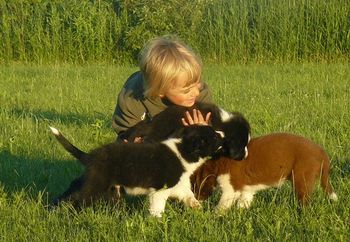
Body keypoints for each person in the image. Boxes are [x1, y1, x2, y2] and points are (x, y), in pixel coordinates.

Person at [112, 35, 213, 142]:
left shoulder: (201, 96)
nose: (196, 92)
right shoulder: (132, 98)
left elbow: (213, 131)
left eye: (197, 84)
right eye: (186, 90)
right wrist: (135, 141)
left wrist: (203, 129)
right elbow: (126, 135)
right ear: (161, 91)